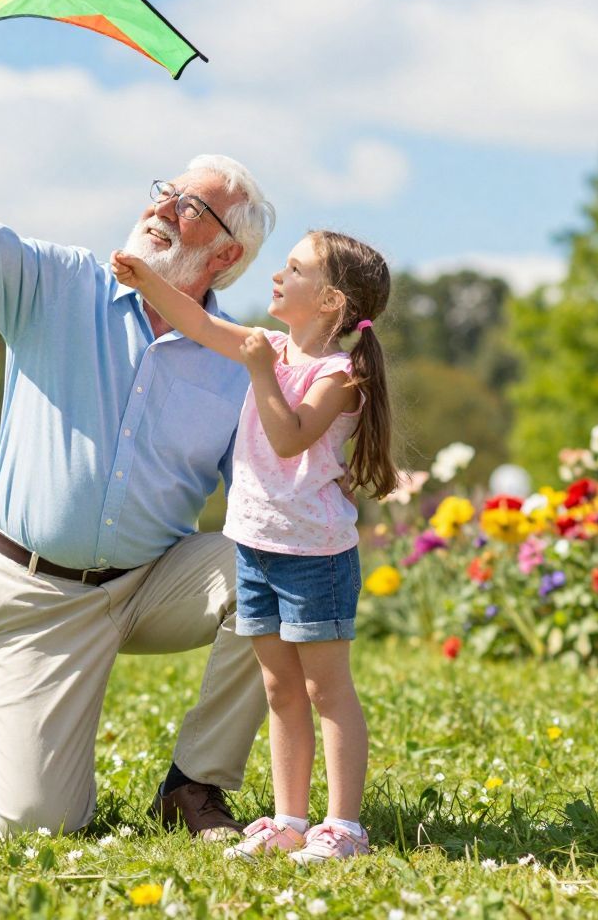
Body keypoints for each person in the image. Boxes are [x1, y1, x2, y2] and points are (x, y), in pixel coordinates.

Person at [0, 38, 274, 840]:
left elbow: (265, 493)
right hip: (36, 592)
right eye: (166, 189)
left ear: (224, 255)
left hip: (150, 581)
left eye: (193, 205)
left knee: (278, 568)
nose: (165, 205)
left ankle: (195, 787)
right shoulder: (59, 285)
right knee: (39, 825)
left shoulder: (236, 363)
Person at [111, 228, 397, 863]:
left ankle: (343, 826)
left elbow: (290, 437)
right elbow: (197, 320)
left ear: (328, 302)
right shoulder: (263, 346)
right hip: (255, 546)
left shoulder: (338, 376)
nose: (276, 276)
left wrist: (262, 369)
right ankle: (291, 818)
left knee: (327, 690)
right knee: (279, 689)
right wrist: (146, 280)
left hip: (313, 555)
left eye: (292, 269)